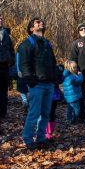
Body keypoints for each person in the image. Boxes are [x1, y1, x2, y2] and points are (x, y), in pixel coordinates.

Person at [18, 17, 58, 149]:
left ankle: (41, 138)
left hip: (49, 84)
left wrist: (55, 78)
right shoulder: (27, 43)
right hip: (37, 84)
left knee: (45, 113)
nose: (41, 23)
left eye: (42, 22)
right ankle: (28, 140)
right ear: (31, 28)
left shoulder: (47, 43)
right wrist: (31, 81)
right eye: (37, 22)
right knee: (34, 113)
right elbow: (24, 64)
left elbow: (52, 62)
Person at [62, 60, 84, 124]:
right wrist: (80, 75)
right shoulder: (71, 76)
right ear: (70, 68)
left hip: (69, 96)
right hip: (73, 96)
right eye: (74, 67)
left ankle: (69, 119)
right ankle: (74, 120)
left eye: (76, 67)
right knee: (77, 108)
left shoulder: (65, 75)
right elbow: (78, 81)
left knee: (70, 108)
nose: (76, 69)